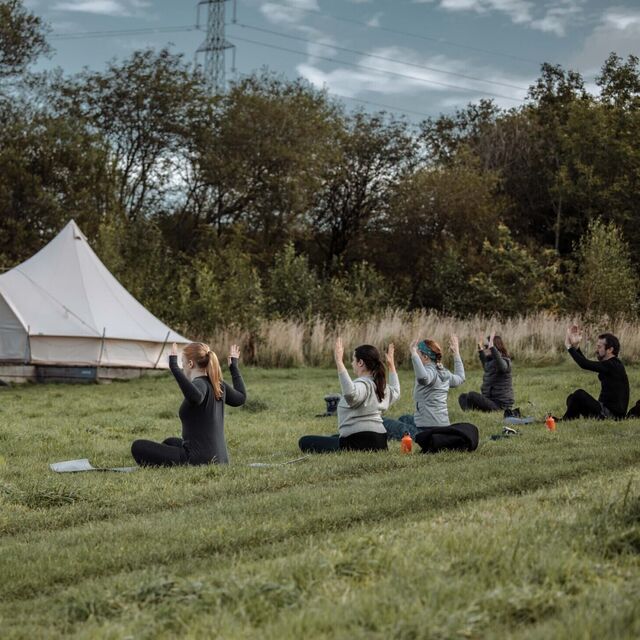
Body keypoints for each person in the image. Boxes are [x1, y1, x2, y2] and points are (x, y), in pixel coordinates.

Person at [131, 341, 246, 466]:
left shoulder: (199, 383)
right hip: (219, 458)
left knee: (138, 446)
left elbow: (196, 397)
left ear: (190, 364)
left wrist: (174, 367)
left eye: (183, 362)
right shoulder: (218, 384)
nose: (182, 366)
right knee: (170, 442)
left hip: (197, 459)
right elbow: (241, 398)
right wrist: (234, 367)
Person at [299, 338, 400, 453]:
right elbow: (396, 392)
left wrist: (339, 362)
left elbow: (351, 395)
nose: (352, 364)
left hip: (359, 442)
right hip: (380, 441)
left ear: (360, 363)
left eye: (353, 360)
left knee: (304, 441)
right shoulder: (381, 386)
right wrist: (391, 366)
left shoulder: (363, 384)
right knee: (334, 437)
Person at [383, 336, 465, 440]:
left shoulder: (430, 372)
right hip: (443, 426)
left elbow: (423, 378)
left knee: (384, 422)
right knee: (404, 418)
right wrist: (456, 354)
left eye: (419, 354)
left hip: (427, 430)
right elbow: (461, 378)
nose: (417, 355)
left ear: (425, 357)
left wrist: (413, 353)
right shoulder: (444, 372)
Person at [561, 325, 629, 420]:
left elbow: (584, 364)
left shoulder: (613, 365)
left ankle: (565, 420)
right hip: (604, 410)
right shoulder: (611, 364)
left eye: (599, 347)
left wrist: (569, 347)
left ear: (610, 350)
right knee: (572, 398)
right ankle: (571, 418)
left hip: (612, 415)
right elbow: (585, 363)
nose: (596, 350)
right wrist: (576, 347)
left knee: (579, 394)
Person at [458, 331, 514, 413]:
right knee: (463, 397)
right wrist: (480, 348)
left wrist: (492, 347)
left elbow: (501, 366)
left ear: (495, 348)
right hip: (490, 401)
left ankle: (473, 411)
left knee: (472, 395)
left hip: (501, 405)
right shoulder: (490, 362)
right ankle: (470, 413)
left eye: (487, 346)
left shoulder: (505, 362)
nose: (485, 348)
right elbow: (485, 362)